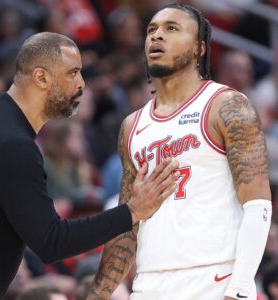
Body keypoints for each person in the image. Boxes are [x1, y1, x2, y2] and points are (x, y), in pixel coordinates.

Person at [87, 3, 272, 300]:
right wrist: (97, 295)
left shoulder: (226, 106)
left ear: (200, 48)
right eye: (151, 30)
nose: (157, 36)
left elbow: (258, 206)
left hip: (215, 280)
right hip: (150, 284)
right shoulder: (132, 126)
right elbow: (127, 227)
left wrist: (238, 288)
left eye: (171, 29)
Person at [0, 32, 180, 300]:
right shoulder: (14, 146)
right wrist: (133, 210)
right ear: (41, 78)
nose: (82, 84)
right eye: (72, 73)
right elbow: (51, 242)